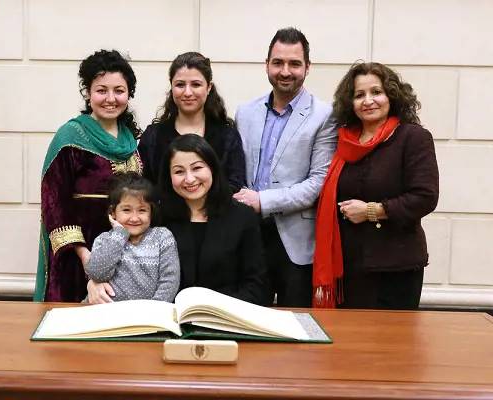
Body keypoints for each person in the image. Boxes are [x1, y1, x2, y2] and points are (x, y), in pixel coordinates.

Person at [313, 62, 439, 310]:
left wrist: (373, 210)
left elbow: (425, 196)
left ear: (391, 95)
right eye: (359, 95)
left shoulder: (412, 137)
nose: (368, 100)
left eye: (376, 92)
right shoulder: (344, 142)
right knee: (349, 344)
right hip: (348, 268)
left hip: (395, 267)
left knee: (390, 345)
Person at [234, 27, 337, 307]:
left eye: (294, 63)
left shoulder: (324, 116)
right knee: (249, 322)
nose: (285, 71)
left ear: (307, 68)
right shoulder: (245, 112)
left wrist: (262, 201)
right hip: (249, 237)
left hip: (296, 243)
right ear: (266, 65)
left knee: (297, 327)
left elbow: (318, 182)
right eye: (278, 62)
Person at [34, 50, 143, 302]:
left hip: (125, 255)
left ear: (129, 94)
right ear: (88, 92)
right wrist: (85, 255)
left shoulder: (130, 139)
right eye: (101, 90)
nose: (110, 98)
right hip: (79, 257)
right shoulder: (70, 137)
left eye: (119, 90)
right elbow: (55, 203)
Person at [158, 134, 272, 306]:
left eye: (197, 168)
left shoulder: (242, 216)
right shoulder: (158, 217)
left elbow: (258, 286)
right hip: (171, 320)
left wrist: (214, 311)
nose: (189, 179)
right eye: (179, 171)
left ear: (212, 168)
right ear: (169, 176)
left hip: (226, 319)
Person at [138, 52, 246, 193]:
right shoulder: (153, 136)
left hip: (215, 215)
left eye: (196, 84)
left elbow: (234, 185)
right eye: (180, 85)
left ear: (208, 87)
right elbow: (144, 187)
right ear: (171, 87)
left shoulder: (228, 137)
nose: (187, 92)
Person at [83, 172, 180, 304]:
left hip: (150, 315)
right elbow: (96, 273)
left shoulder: (162, 237)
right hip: (106, 312)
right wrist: (119, 234)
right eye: (126, 210)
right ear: (113, 213)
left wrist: (155, 311)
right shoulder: (105, 239)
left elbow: (170, 280)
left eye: (142, 210)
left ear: (151, 212)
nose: (134, 218)